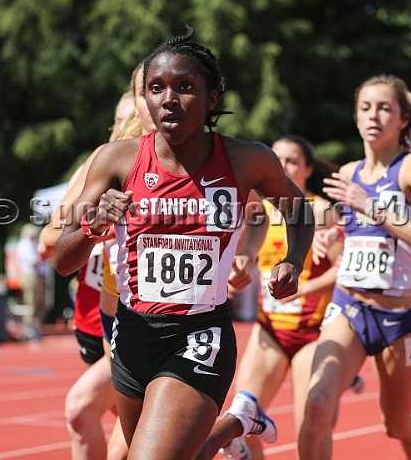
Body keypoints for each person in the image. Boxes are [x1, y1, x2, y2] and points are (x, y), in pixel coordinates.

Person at [54, 28, 314, 460]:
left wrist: (294, 259)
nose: (169, 99)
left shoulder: (246, 160)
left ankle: (231, 422)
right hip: (131, 334)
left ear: (212, 99)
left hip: (200, 332)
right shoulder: (116, 159)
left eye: (185, 87)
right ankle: (236, 422)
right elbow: (64, 258)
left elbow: (299, 210)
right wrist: (94, 226)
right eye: (156, 88)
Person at [298, 75, 411, 460]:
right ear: (355, 117)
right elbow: (336, 218)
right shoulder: (349, 174)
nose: (374, 115)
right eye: (365, 108)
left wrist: (370, 207)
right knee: (316, 407)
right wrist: (326, 232)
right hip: (349, 308)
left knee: (396, 425)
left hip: (399, 318)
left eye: (384, 108)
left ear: (402, 119)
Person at [195, 135, 351, 460]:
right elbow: (239, 262)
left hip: (313, 333)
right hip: (269, 330)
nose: (285, 166)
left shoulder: (320, 211)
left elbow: (345, 271)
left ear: (308, 168)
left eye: (293, 160)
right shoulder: (256, 213)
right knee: (241, 410)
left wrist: (304, 286)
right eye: (278, 159)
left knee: (312, 421)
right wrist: (240, 271)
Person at [39, 84, 148, 460]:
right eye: (117, 121)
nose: (123, 128)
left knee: (94, 419)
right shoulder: (103, 161)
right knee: (139, 427)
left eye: (131, 119)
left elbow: (250, 207)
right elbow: (49, 239)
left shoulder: (177, 159)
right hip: (97, 315)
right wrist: (97, 227)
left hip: (148, 319)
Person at [15, 223, 46, 339]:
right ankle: (29, 328)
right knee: (31, 302)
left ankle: (34, 325)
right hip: (30, 275)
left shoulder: (31, 244)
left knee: (38, 302)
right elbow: (33, 261)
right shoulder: (25, 245)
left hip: (36, 276)